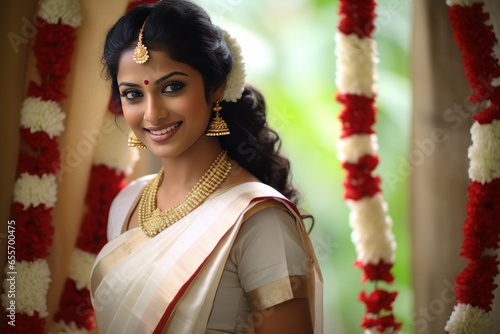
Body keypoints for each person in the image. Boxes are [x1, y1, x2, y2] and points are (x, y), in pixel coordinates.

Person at [90, 1, 323, 333]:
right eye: (133, 95)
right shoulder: (127, 203)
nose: (152, 114)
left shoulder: (258, 219)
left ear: (215, 87)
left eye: (172, 87)